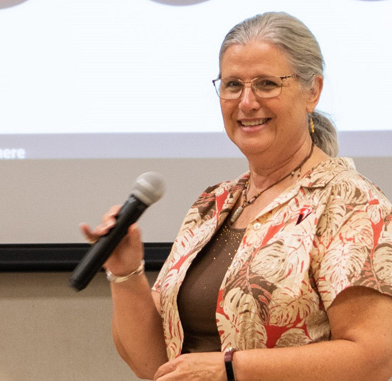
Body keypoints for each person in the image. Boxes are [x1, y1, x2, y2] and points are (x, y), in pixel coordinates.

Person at [81, 12, 392, 381]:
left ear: (313, 91)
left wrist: (231, 368)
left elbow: (374, 358)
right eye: (232, 85)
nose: (246, 102)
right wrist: (125, 272)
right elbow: (153, 365)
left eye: (266, 84)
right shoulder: (212, 205)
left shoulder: (351, 203)